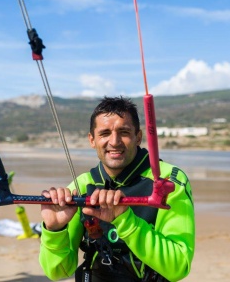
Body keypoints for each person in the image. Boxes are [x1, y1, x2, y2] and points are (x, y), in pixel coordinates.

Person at [39, 96, 195, 282]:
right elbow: (57, 272)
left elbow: (177, 266)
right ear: (92, 140)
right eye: (104, 133)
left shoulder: (168, 181)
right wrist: (55, 230)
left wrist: (124, 219)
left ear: (138, 137)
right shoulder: (81, 185)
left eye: (124, 132)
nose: (114, 141)